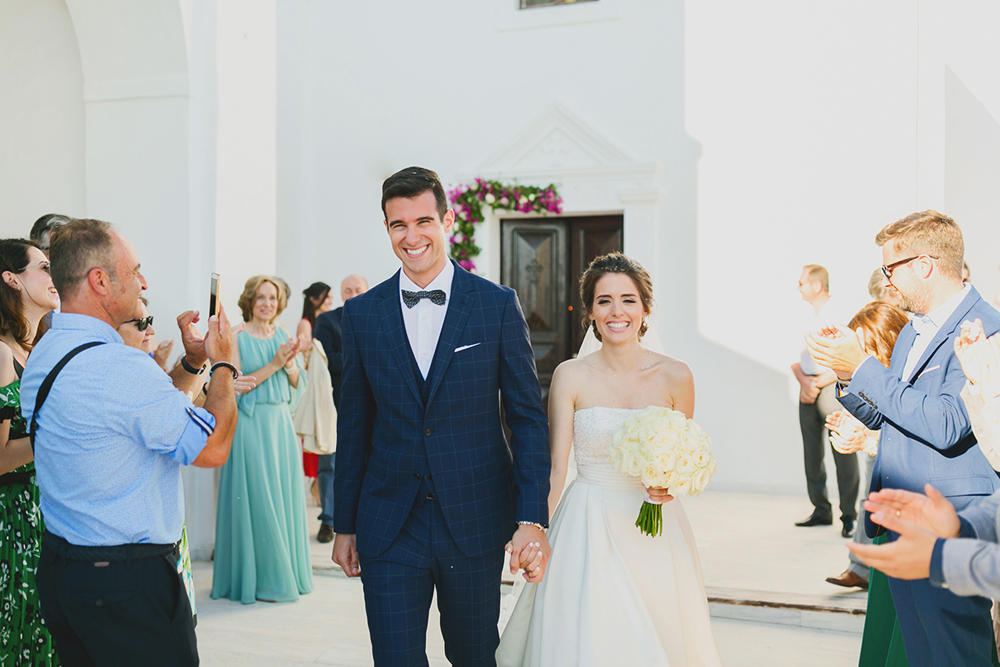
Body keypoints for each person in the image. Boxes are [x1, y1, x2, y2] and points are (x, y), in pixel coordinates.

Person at [332, 166, 551, 666]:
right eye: (398, 225)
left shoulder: (496, 305)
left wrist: (531, 515)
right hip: (388, 522)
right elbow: (355, 425)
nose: (412, 236)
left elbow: (527, 418)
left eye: (423, 221)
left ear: (447, 220)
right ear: (387, 229)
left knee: (474, 656)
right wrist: (345, 523)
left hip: (473, 518)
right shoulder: (363, 313)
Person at [21, 218, 239, 666]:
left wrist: (192, 361)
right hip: (126, 584)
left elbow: (142, 417)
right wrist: (223, 367)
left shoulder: (47, 351)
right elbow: (212, 447)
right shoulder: (119, 367)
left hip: (66, 569)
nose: (143, 282)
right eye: (135, 269)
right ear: (99, 281)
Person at [496, 252, 721, 666]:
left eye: (628, 300)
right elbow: (558, 468)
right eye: (604, 301)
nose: (617, 311)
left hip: (653, 528)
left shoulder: (677, 375)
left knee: (654, 633)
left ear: (646, 308)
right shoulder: (571, 375)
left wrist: (666, 485)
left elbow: (679, 452)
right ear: (590, 313)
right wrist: (534, 527)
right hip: (586, 522)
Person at [806, 210, 1000, 666]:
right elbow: (892, 414)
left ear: (925, 265)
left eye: (890, 268)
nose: (886, 281)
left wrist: (865, 368)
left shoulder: (984, 329)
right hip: (900, 518)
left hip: (951, 521)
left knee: (956, 656)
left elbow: (950, 423)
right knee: (918, 653)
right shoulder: (914, 328)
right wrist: (847, 375)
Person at [211, 275, 313, 604]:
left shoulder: (282, 334)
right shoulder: (238, 336)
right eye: (261, 297)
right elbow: (240, 385)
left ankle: (282, 574)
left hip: (280, 425)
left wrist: (292, 363)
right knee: (258, 500)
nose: (267, 303)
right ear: (250, 301)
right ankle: (258, 581)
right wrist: (276, 362)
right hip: (252, 425)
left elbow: (297, 383)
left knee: (281, 500)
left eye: (273, 298)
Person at [819, 302, 910, 666]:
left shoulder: (910, 385)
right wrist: (860, 434)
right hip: (889, 517)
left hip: (919, 516)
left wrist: (869, 440)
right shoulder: (879, 382)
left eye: (865, 350)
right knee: (884, 626)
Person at [0, 238, 61, 665]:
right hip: (11, 518)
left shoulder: (35, 349)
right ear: (11, 279)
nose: (54, 276)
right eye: (43, 267)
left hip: (44, 512)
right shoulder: (2, 354)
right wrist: (59, 432)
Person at [792, 264, 859, 536]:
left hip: (830, 386)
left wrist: (819, 381)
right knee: (812, 453)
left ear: (817, 286)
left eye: (802, 283)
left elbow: (851, 353)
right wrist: (804, 381)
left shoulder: (840, 312)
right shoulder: (803, 315)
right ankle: (820, 510)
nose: (798, 288)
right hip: (807, 387)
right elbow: (793, 356)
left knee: (842, 451)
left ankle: (849, 516)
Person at [312, 273, 368, 543]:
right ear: (342, 293)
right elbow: (326, 360)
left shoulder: (377, 314)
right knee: (331, 464)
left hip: (373, 404)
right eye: (348, 290)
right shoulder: (327, 320)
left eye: (359, 289)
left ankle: (363, 518)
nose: (353, 294)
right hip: (335, 403)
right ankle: (329, 520)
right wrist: (364, 357)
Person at [297, 282, 333, 502]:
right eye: (326, 296)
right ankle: (317, 485)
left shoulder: (325, 321)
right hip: (312, 380)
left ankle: (319, 486)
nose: (330, 300)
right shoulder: (306, 324)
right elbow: (304, 351)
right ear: (314, 299)